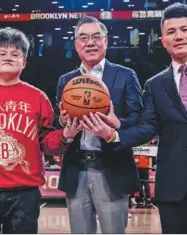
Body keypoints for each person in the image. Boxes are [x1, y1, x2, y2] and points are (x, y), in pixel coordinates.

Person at [85, 3, 187, 233]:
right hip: (173, 184)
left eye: (185, 30)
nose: (179, 36)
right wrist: (114, 130)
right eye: (171, 32)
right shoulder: (154, 84)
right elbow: (148, 127)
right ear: (163, 40)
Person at [0, 27, 81, 234]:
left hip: (24, 194)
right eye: (2, 53)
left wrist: (66, 135)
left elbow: (47, 143)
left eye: (15, 54)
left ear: (24, 63)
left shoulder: (38, 98)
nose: (8, 57)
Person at [55, 16, 143, 233]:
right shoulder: (66, 80)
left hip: (112, 167)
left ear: (106, 41)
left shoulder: (126, 75)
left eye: (96, 37)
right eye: (83, 38)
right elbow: (57, 125)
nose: (90, 42)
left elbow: (140, 122)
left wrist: (117, 123)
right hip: (76, 168)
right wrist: (63, 123)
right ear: (76, 45)